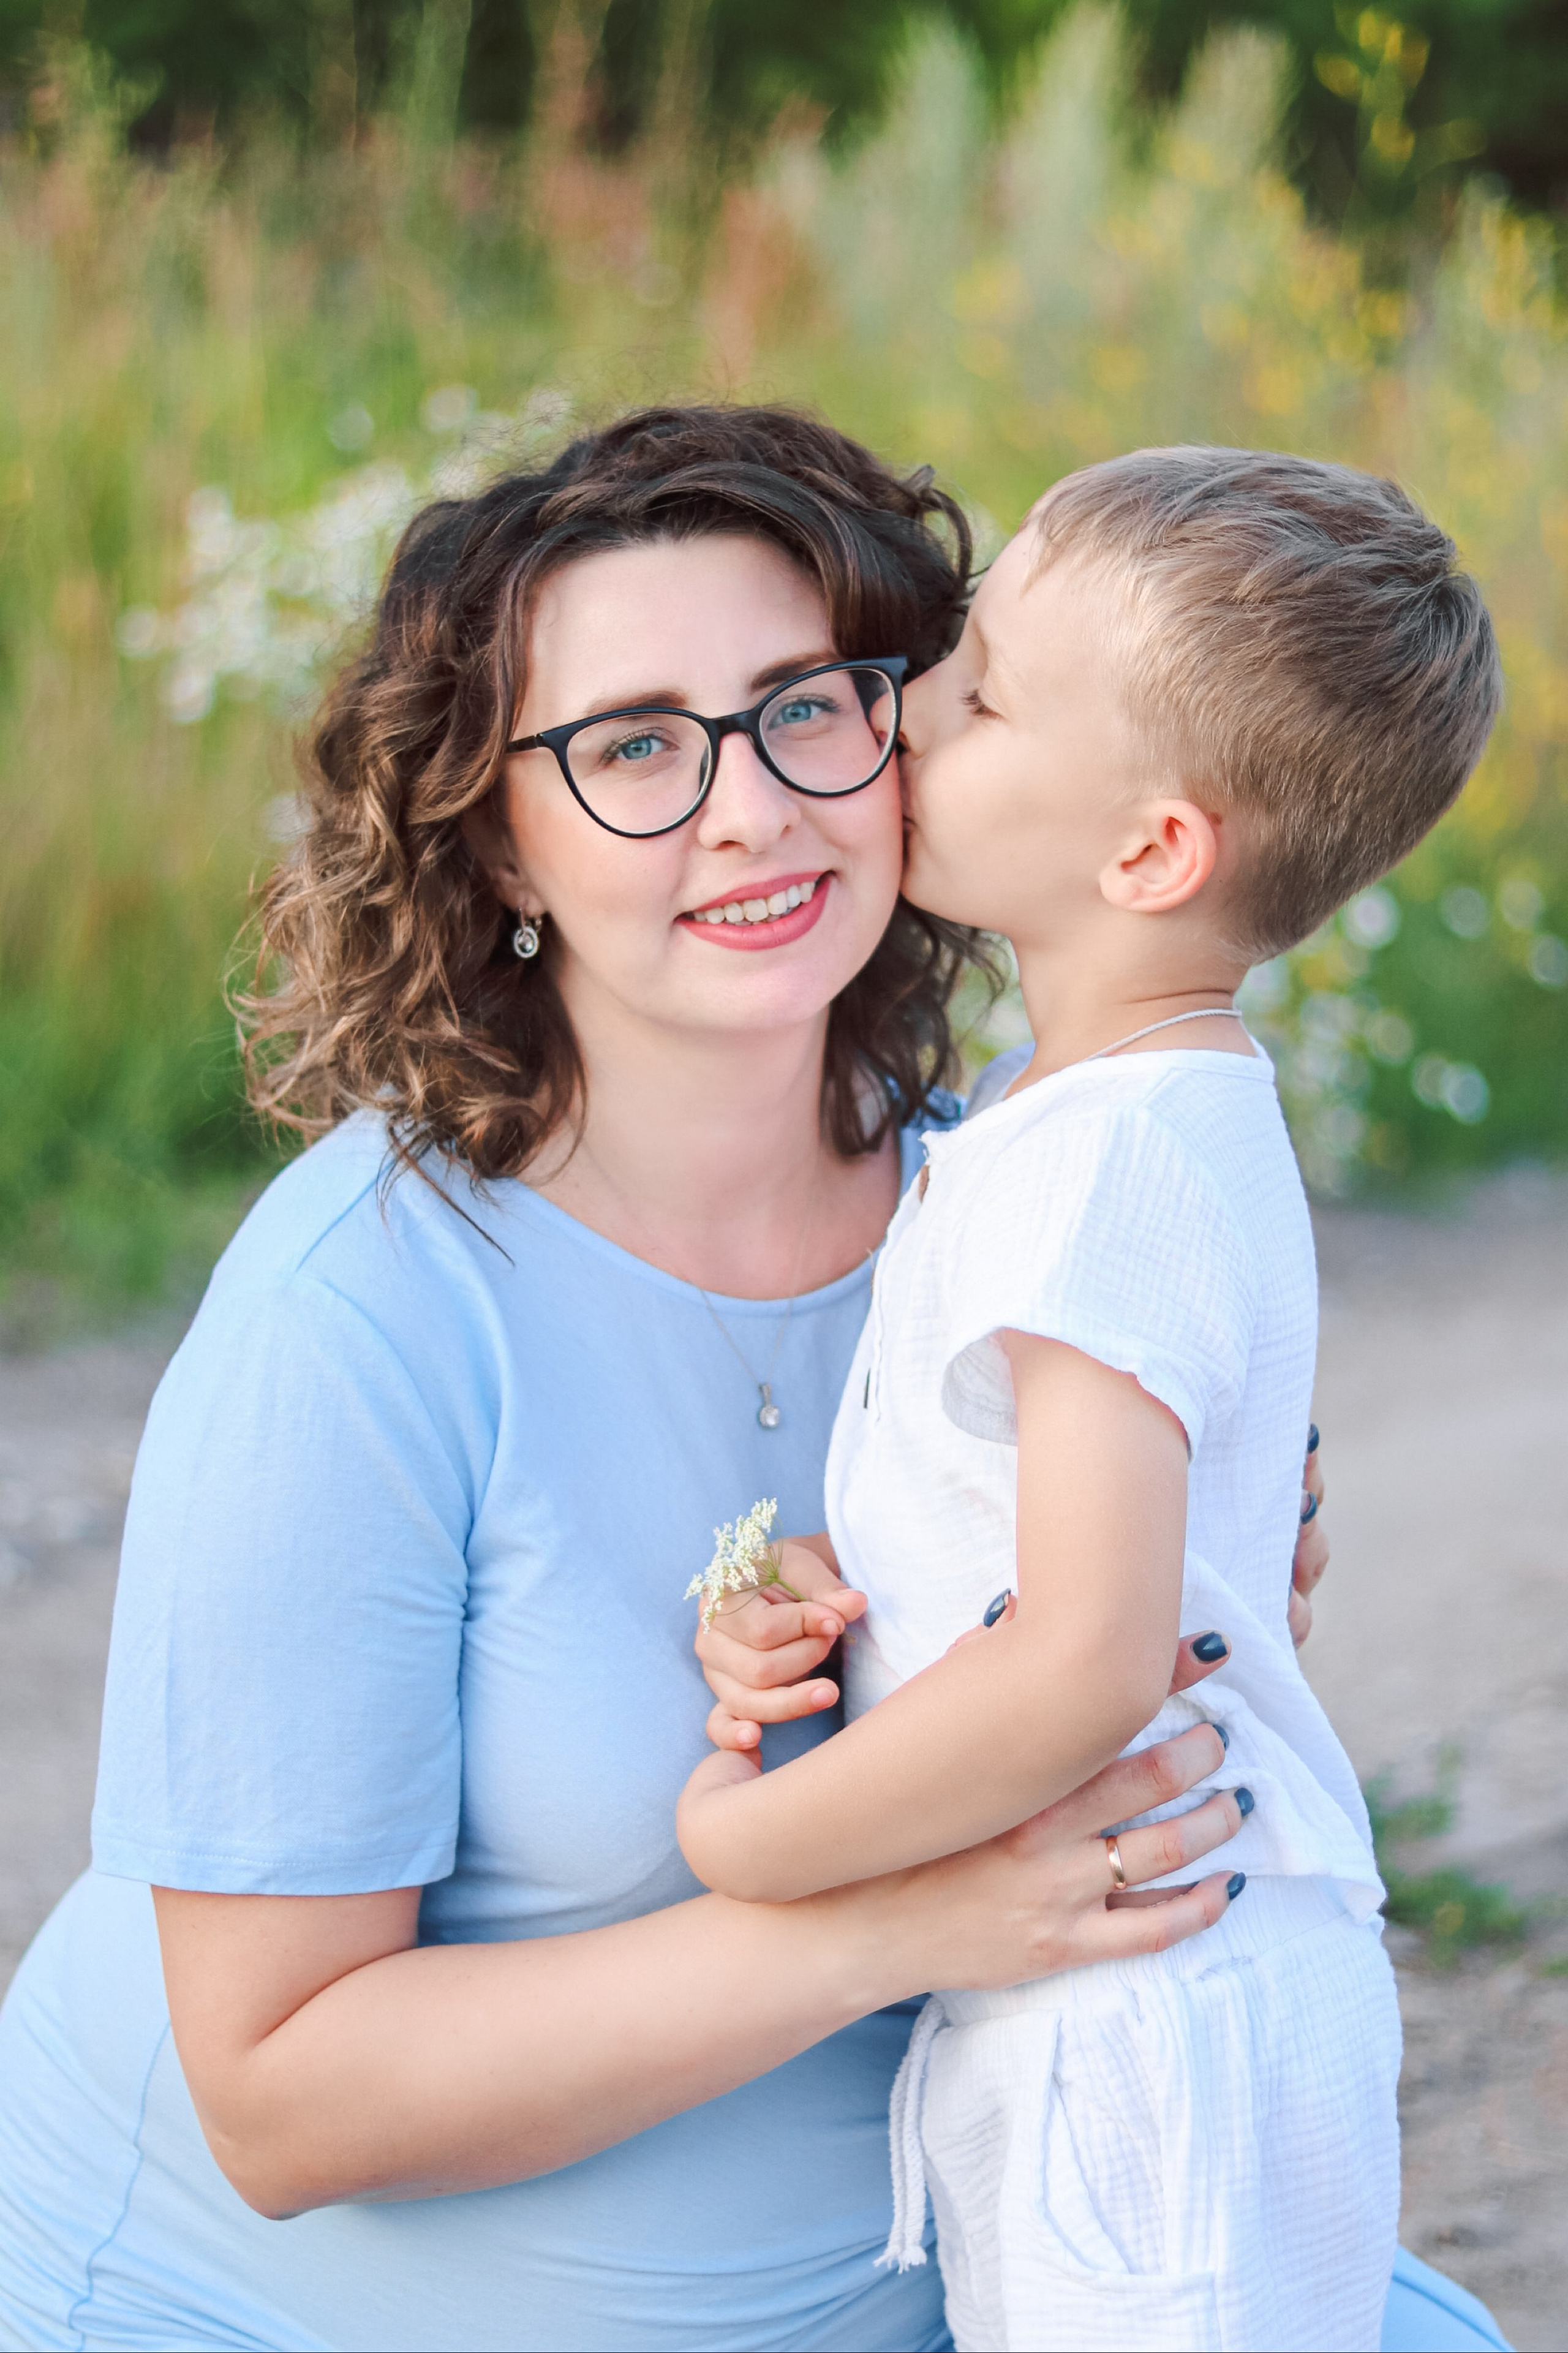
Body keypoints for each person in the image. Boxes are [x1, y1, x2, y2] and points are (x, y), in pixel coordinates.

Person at [0, 407, 1500, 2353]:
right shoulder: (360, 1311)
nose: (751, 808)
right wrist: (893, 1919)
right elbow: (284, 2101)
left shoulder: (1027, 1206)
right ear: (497, 832)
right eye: (631, 744)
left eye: (807, 706)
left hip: (994, 2248)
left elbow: (1130, 1697)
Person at [675, 449, 1503, 2352]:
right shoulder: (1111, 1124)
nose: (912, 705)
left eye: (981, 696)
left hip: (1146, 2016)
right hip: (1137, 1990)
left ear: (1149, 853)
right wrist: (846, 1581)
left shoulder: (1103, 1168)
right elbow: (1042, 1553)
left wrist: (749, 1854)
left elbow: (1089, 1651)